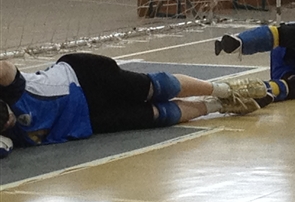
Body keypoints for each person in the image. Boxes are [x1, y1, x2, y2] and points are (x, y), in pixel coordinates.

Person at [0, 53, 270, 158]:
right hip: (86, 121)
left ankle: (225, 89)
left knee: (156, 88)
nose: (9, 121)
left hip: (84, 78)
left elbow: (5, 68)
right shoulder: (5, 138)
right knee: (157, 115)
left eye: (6, 114)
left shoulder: (13, 88)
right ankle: (218, 106)